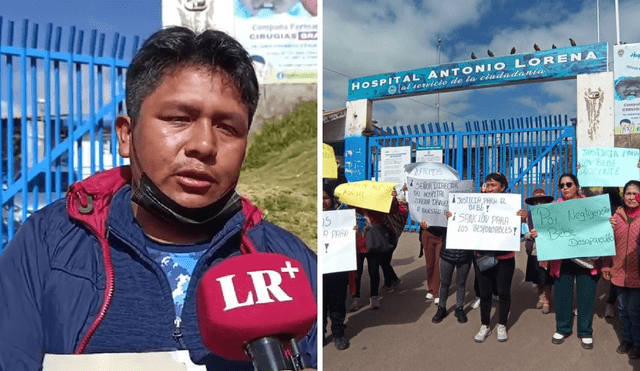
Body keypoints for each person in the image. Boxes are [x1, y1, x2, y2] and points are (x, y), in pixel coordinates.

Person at [0, 27, 317, 370]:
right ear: (126, 135)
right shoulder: (47, 244)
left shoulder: (289, 263)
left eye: (228, 127)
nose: (205, 145)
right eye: (179, 119)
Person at [532, 173, 601, 350]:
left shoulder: (591, 206)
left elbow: (600, 229)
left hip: (587, 259)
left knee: (586, 296)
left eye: (569, 184)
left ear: (577, 186)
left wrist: (608, 223)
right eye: (561, 185)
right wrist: (537, 234)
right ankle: (563, 328)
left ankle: (585, 331)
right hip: (562, 260)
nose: (565, 188)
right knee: (563, 295)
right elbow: (546, 231)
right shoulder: (554, 207)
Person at [473, 173, 526, 343]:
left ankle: (502, 324)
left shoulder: (511, 206)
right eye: (487, 185)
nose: (489, 189)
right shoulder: (475, 204)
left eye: (493, 185)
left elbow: (519, 231)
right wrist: (453, 216)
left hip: (504, 257)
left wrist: (522, 218)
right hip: (483, 256)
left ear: (502, 187)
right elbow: (466, 223)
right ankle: (485, 325)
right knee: (485, 292)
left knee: (503, 292)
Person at [602, 180, 640, 359]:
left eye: (635, 193)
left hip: (637, 274)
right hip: (619, 272)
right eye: (628, 193)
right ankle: (627, 339)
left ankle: (638, 343)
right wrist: (606, 265)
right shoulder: (615, 218)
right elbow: (608, 244)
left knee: (635, 310)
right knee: (623, 309)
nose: (631, 197)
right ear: (623, 196)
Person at [426, 218, 474, 324]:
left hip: (465, 255)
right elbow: (439, 231)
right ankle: (441, 308)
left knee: (461, 283)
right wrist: (428, 227)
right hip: (447, 254)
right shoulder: (448, 213)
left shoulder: (471, 214)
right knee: (445, 283)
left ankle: (459, 308)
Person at [322, 186, 350, 350]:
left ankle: (338, 333)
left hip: (338, 267)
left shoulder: (342, 216)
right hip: (318, 269)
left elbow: (364, 228)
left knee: (337, 303)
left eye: (325, 197)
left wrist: (353, 230)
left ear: (331, 199)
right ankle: (321, 334)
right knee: (320, 303)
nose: (323, 202)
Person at [523, 189, 554, 314]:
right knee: (538, 277)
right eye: (537, 202)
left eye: (542, 201)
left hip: (548, 250)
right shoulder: (528, 216)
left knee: (547, 277)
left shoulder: (552, 214)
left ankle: (547, 300)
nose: (539, 204)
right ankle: (541, 297)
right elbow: (524, 234)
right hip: (534, 250)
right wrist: (530, 235)